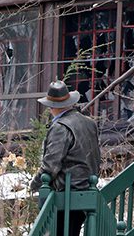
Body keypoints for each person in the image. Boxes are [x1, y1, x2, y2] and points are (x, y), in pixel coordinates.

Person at [30, 81, 101, 236]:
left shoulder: (60, 127)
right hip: (86, 188)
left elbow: (50, 167)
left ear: (52, 107)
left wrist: (34, 184)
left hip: (67, 193)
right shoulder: (89, 123)